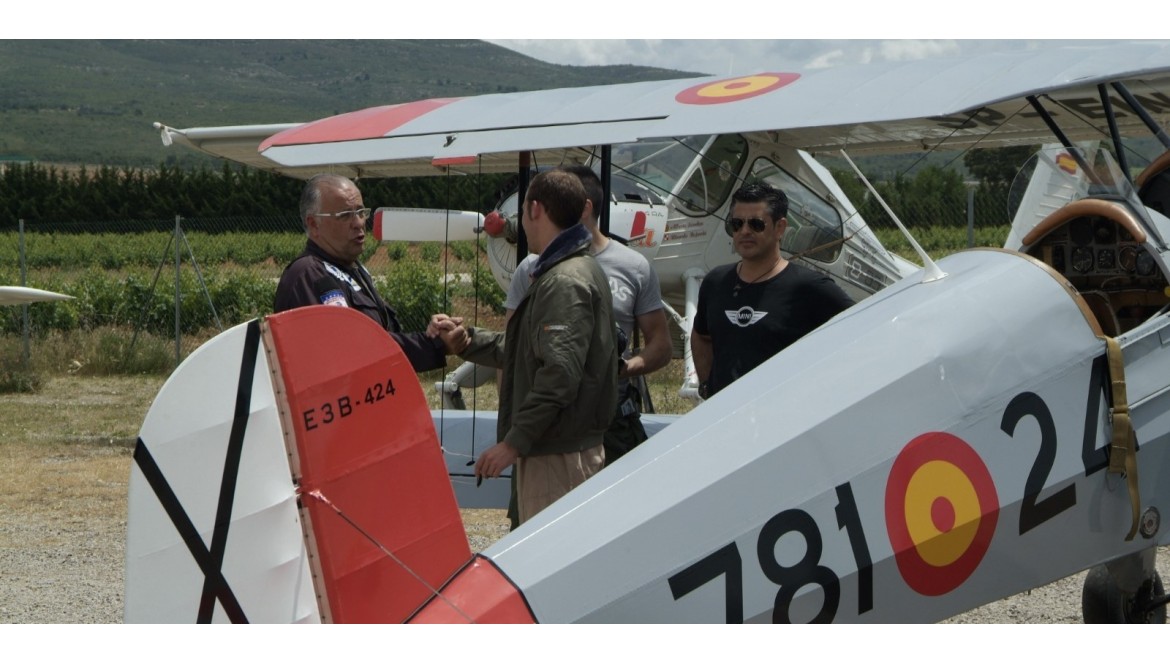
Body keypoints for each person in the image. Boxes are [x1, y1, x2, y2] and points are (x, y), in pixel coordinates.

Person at [447, 169, 618, 526]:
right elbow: (528, 350)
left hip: (556, 460)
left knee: (556, 568)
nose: (519, 222)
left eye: (521, 211)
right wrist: (466, 341)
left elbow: (559, 374)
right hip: (559, 452)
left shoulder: (564, 281)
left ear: (535, 209)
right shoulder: (570, 270)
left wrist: (512, 443)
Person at [506, 164, 671, 465]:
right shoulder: (528, 269)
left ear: (584, 207)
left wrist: (620, 367)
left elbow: (661, 345)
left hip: (613, 422)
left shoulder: (634, 266)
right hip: (550, 427)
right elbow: (511, 350)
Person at [274, 173, 465, 370]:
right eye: (345, 215)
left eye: (361, 212)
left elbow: (381, 336)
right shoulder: (309, 275)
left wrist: (431, 334)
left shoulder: (352, 268)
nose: (358, 223)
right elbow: (355, 350)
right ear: (314, 224)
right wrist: (433, 345)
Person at [691, 181, 853, 398]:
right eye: (736, 224)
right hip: (725, 421)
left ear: (780, 228)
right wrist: (706, 387)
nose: (744, 231)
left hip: (784, 421)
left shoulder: (811, 287)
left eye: (756, 224)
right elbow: (701, 336)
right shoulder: (715, 282)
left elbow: (860, 331)